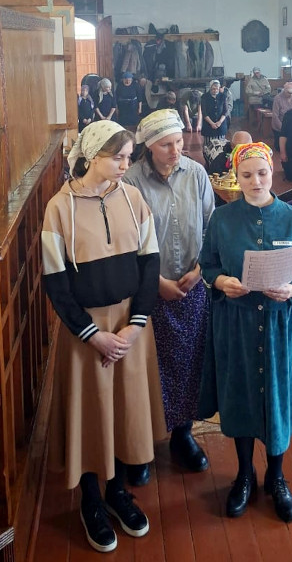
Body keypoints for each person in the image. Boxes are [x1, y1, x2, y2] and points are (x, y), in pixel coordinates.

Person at [41, 121, 165, 553]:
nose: (126, 165)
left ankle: (118, 493)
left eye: (129, 157)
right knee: (92, 414)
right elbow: (56, 283)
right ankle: (91, 500)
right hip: (87, 333)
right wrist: (93, 335)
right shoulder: (59, 208)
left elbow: (151, 263)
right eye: (118, 158)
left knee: (125, 410)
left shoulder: (133, 198)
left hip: (131, 325)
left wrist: (136, 324)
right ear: (93, 157)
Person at [198, 142, 292, 523]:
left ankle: (277, 475)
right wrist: (221, 281)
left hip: (279, 326)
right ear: (236, 178)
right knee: (240, 396)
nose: (256, 181)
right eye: (247, 175)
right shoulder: (221, 220)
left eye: (262, 173)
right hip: (236, 325)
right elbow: (207, 265)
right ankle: (243, 475)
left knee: (276, 398)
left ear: (272, 172)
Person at [123, 109, 215, 485]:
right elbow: (128, 243)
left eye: (178, 142)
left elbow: (210, 227)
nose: (176, 150)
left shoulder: (196, 174)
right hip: (149, 290)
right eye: (166, 145)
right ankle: (141, 443)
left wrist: (200, 270)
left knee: (189, 362)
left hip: (192, 285)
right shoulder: (130, 181)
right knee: (148, 367)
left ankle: (182, 434)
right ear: (148, 146)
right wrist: (156, 282)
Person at [200, 79, 228, 163]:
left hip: (221, 125)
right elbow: (204, 113)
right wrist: (212, 123)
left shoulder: (223, 96)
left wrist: (219, 122)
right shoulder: (204, 97)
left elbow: (225, 111)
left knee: (220, 147)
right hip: (208, 126)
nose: (215, 90)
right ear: (210, 88)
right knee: (208, 146)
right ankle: (208, 162)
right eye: (213, 89)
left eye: (217, 89)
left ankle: (220, 162)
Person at [271, 81, 292, 152]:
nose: (291, 95)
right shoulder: (278, 98)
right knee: (279, 148)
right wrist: (283, 129)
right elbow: (275, 116)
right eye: (289, 93)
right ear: (284, 90)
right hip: (279, 125)